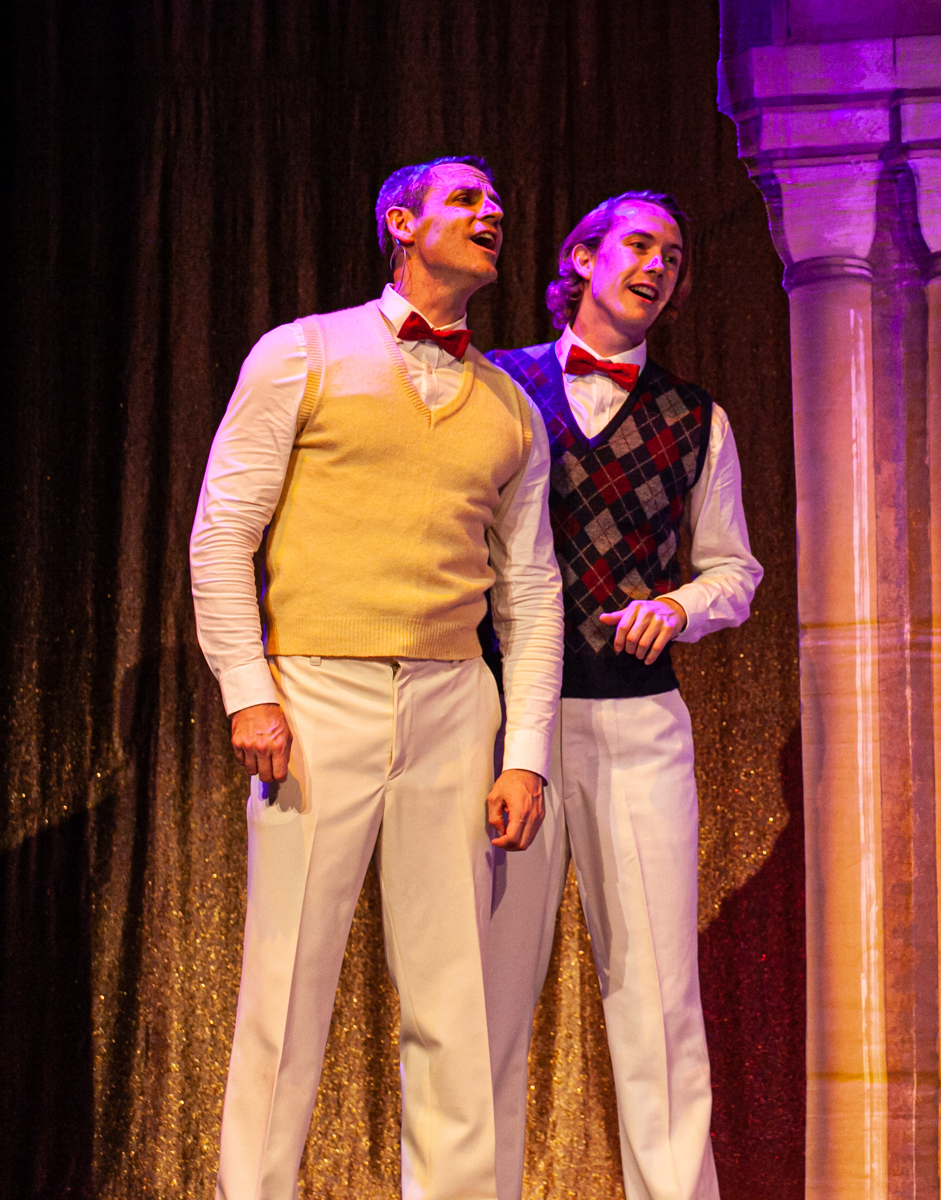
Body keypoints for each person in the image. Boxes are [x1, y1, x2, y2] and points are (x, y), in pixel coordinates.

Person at [189, 155, 563, 1199]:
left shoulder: (510, 407)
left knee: (454, 997)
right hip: (317, 692)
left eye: (496, 200)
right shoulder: (303, 354)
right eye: (465, 198)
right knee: (287, 988)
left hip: (454, 703)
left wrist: (525, 754)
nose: (491, 211)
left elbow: (531, 593)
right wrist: (249, 690)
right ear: (400, 221)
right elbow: (222, 533)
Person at [483, 191, 762, 1200]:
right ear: (583, 259)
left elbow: (735, 570)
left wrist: (680, 606)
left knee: (656, 1001)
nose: (658, 266)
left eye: (673, 256)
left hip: (638, 722)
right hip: (502, 725)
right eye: (640, 245)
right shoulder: (497, 387)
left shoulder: (695, 417)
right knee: (482, 1000)